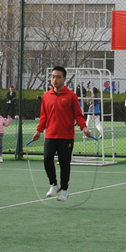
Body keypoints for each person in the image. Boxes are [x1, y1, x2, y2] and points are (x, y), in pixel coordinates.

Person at [29, 66, 91, 202]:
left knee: (64, 163)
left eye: (58, 77)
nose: (54, 79)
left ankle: (64, 190)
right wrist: (39, 131)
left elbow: (78, 114)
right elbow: (43, 116)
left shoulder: (71, 96)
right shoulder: (46, 96)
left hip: (66, 136)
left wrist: (84, 127)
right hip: (50, 135)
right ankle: (54, 184)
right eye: (52, 77)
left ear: (64, 79)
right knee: (47, 159)